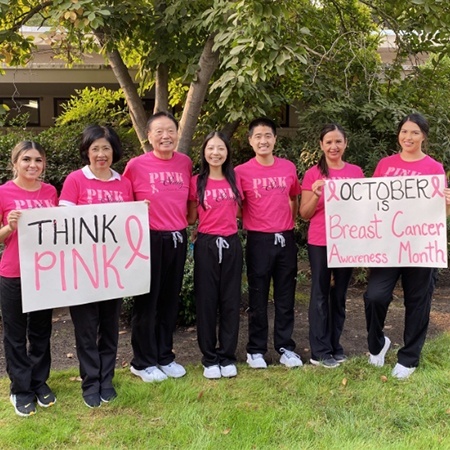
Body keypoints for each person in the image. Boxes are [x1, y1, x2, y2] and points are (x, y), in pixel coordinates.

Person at [364, 113, 450, 379]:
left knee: (418, 301)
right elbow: (370, 203)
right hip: (388, 245)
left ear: (424, 136)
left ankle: (409, 358)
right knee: (374, 296)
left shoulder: (434, 168)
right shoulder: (386, 164)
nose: (408, 137)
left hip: (421, 246)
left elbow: (440, 215)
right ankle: (378, 343)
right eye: (404, 131)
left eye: (414, 132)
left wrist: (447, 202)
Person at [59, 125, 134, 407]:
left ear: (114, 151)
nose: (101, 154)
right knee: (86, 329)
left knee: (110, 326)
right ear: (86, 152)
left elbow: (129, 225)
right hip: (82, 268)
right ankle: (90, 382)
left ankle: (106, 379)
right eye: (95, 149)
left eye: (106, 148)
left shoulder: (123, 183)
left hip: (112, 270)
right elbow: (64, 225)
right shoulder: (76, 180)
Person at [123, 111, 192, 382]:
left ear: (177, 134)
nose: (166, 136)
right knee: (147, 302)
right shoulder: (136, 165)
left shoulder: (185, 163)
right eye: (159, 131)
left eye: (170, 130)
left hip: (177, 237)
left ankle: (165, 356)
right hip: (148, 239)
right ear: (148, 136)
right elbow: (125, 206)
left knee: (169, 301)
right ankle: (142, 361)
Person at [235, 117, 302, 369]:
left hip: (285, 238)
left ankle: (285, 347)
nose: (263, 140)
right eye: (258, 136)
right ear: (251, 141)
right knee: (258, 296)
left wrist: (287, 222)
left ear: (275, 139)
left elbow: (294, 196)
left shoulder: (288, 167)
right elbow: (239, 207)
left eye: (268, 136)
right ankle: (256, 350)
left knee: (286, 295)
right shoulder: (241, 172)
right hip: (258, 240)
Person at [0, 141, 58, 417]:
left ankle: (38, 382)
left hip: (44, 272)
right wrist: (8, 226)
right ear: (15, 163)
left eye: (38, 160)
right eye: (26, 159)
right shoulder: (3, 193)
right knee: (15, 334)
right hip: (13, 272)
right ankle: (20, 389)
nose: (33, 165)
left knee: (40, 331)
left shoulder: (50, 191)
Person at [300, 124, 364, 368]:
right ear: (321, 145)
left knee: (339, 296)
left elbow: (363, 209)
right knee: (319, 294)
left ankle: (335, 346)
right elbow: (304, 214)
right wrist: (316, 194)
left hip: (347, 242)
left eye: (338, 141)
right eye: (328, 142)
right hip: (320, 241)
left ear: (346, 143)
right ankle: (320, 351)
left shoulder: (356, 172)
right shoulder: (312, 173)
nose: (333, 146)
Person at [187, 131, 243, 379]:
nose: (215, 153)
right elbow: (190, 217)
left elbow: (241, 212)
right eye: (211, 148)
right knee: (207, 302)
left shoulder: (235, 179)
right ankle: (209, 358)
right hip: (207, 244)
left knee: (230, 302)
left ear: (227, 152)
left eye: (220, 148)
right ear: (204, 152)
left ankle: (227, 356)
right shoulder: (195, 181)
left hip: (231, 243)